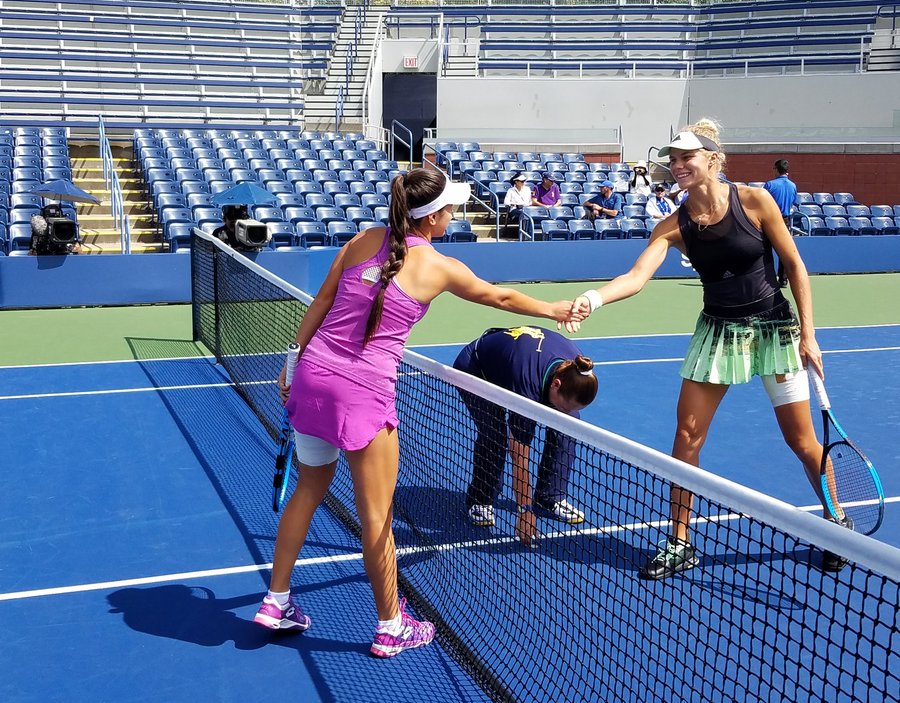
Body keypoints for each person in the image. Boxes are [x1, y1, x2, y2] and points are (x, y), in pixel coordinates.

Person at [253, 168, 581, 658]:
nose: (455, 214)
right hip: (362, 395)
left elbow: (321, 302)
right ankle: (391, 625)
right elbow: (502, 297)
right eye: (450, 208)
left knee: (309, 488)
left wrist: (291, 362)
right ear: (432, 217)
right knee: (377, 517)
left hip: (311, 375)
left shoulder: (364, 240)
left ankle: (276, 600)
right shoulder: (438, 267)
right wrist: (554, 309)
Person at [564, 119, 851, 580]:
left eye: (686, 158)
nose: (677, 166)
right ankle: (679, 541)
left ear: (712, 160)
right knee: (687, 437)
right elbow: (635, 278)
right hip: (718, 334)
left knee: (800, 440)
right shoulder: (672, 225)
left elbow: (794, 265)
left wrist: (809, 335)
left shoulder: (755, 201)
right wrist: (593, 298)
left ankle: (837, 522)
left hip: (774, 328)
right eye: (672, 160)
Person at [454, 326, 598, 536]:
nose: (566, 412)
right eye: (566, 407)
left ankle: (551, 496)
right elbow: (519, 453)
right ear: (555, 385)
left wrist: (567, 411)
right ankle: (481, 499)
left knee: (567, 428)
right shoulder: (528, 387)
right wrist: (525, 511)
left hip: (517, 364)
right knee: (495, 436)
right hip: (477, 370)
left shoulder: (576, 371)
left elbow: (565, 407)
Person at [763, 159, 799, 287]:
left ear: (776, 169)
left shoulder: (770, 185)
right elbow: (793, 202)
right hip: (785, 220)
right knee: (784, 250)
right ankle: (783, 279)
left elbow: (762, 203)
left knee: (765, 250)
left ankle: (767, 278)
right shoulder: (793, 185)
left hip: (769, 220)